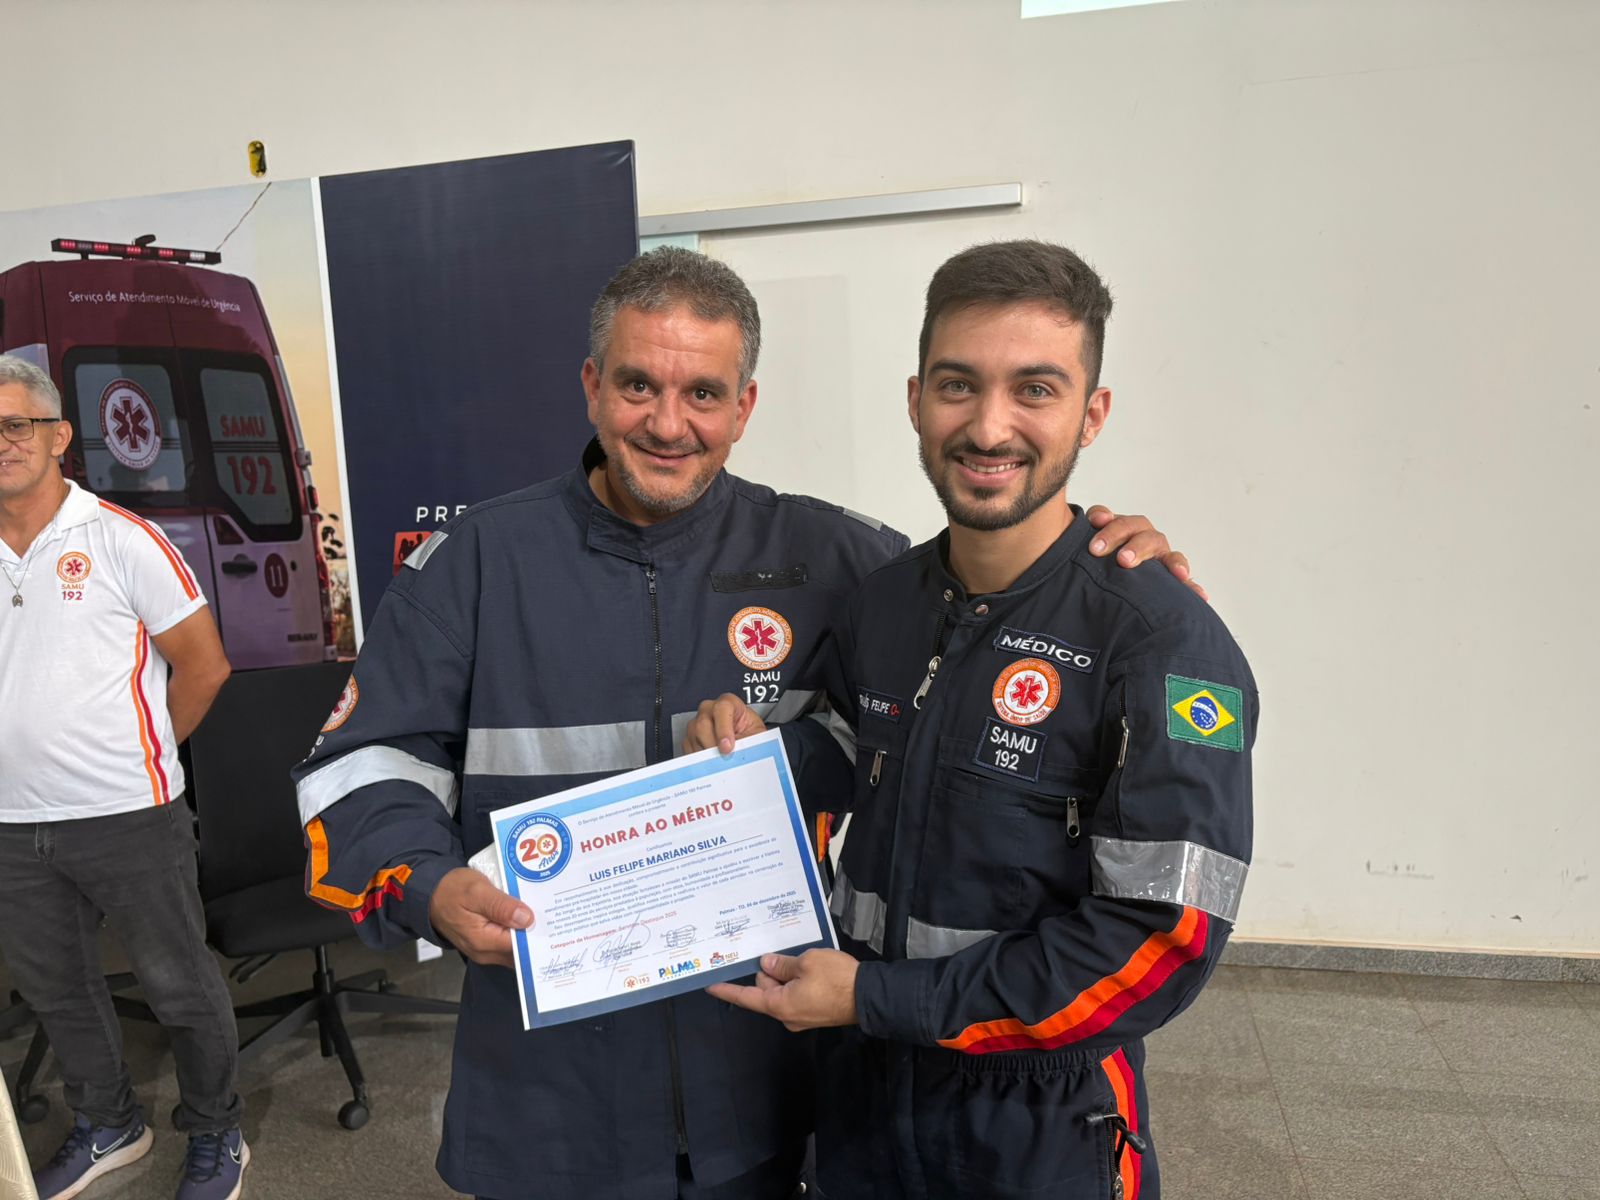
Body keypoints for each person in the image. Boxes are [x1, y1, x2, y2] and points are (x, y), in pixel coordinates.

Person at [290, 247, 1193, 1200]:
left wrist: (1111, 566)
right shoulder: (473, 563)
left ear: (745, 406)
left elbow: (974, 632)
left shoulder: (838, 558)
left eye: (704, 394)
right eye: (638, 385)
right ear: (592, 386)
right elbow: (360, 765)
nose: (667, 423)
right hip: (548, 1098)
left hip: (764, 1087)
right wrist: (427, 885)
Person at [697, 241, 1256, 1200]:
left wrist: (879, 998)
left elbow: (1158, 946)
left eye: (1035, 389)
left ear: (1092, 414)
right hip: (863, 1106)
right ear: (917, 400)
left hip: (1038, 1126)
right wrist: (750, 754)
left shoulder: (1165, 643)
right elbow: (848, 756)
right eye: (959, 385)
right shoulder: (882, 604)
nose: (990, 426)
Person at [0, 355, 246, 1200]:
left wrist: (140, 757)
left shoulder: (120, 538)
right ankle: (111, 1125)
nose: (2, 442)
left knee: (180, 988)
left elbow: (205, 667)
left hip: (129, 815)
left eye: (17, 425)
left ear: (59, 436)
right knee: (59, 992)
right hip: (11, 826)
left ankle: (216, 1133)